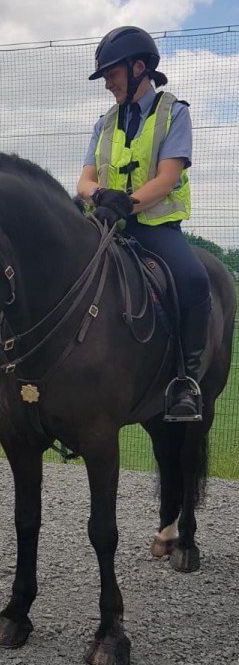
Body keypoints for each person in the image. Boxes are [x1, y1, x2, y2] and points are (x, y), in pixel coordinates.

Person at [77, 24, 211, 421]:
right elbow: (84, 180)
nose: (107, 85)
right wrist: (99, 196)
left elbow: (167, 178)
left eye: (112, 75)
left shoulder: (175, 113)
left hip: (154, 229)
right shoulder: (104, 124)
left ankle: (186, 382)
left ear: (139, 68)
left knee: (194, 280)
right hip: (104, 225)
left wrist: (126, 204)